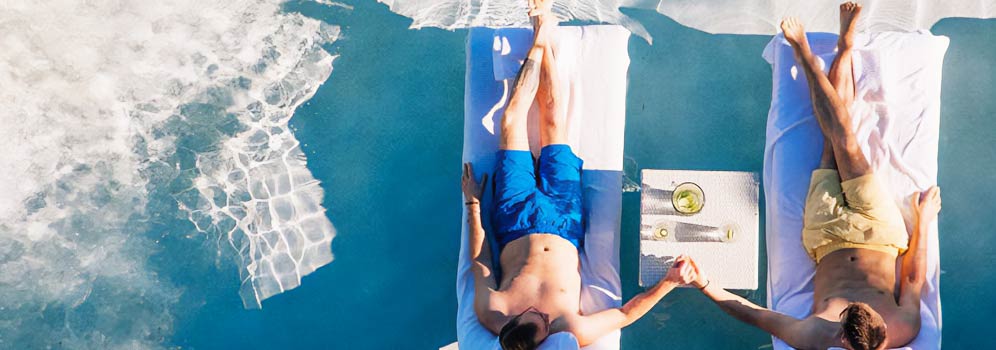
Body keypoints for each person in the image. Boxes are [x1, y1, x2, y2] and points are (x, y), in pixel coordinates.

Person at [682, 3, 942, 350]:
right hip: (878, 230)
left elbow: (754, 314)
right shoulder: (903, 326)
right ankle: (812, 54)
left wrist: (702, 283)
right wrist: (924, 221)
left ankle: (829, 53)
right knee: (847, 141)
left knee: (831, 143)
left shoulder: (819, 333)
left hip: (826, 234)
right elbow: (912, 279)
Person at [460, 1, 695, 348]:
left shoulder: (492, 311)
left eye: (532, 315)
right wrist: (670, 283)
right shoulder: (567, 327)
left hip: (513, 218)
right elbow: (625, 315)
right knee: (554, 119)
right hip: (563, 220)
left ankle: (541, 37)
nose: (541, 313)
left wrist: (473, 203)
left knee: (511, 120)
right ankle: (544, 32)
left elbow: (479, 259)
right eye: (542, 322)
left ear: (512, 322)